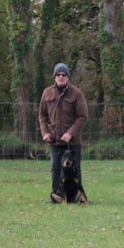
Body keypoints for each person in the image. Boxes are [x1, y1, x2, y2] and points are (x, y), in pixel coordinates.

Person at [38, 62, 89, 203]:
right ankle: (57, 196)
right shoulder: (47, 93)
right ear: (54, 77)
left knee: (74, 170)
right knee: (55, 169)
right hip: (54, 140)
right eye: (58, 75)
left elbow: (82, 117)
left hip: (72, 142)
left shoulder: (77, 94)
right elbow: (42, 116)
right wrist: (45, 132)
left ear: (68, 77)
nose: (61, 77)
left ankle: (76, 197)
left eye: (64, 75)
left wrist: (70, 134)